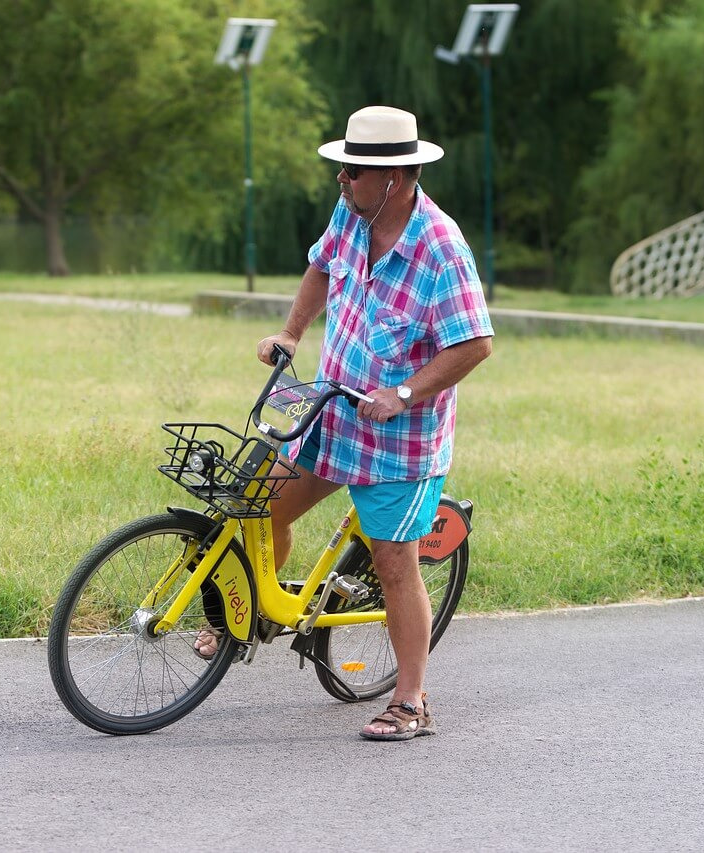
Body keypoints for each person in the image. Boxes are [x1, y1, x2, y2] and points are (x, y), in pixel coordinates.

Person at [202, 106, 494, 741]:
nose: (340, 178)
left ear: (394, 176)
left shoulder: (441, 249)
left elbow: (474, 343)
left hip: (400, 439)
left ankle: (412, 701)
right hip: (332, 412)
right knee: (260, 504)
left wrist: (405, 392)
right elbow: (321, 265)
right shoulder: (352, 216)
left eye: (352, 170)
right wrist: (290, 333)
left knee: (394, 563)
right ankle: (259, 611)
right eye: (342, 167)